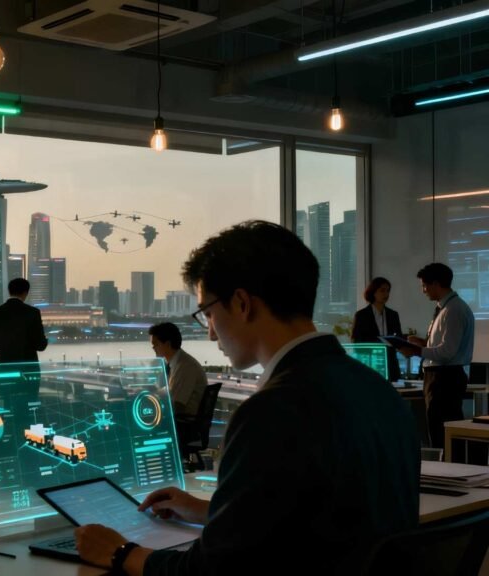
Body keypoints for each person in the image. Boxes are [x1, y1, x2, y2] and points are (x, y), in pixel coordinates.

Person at [74, 220, 419, 576]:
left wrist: (120, 553)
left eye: (208, 313)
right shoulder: (377, 390)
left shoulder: (272, 412)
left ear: (241, 303)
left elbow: (211, 571)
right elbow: (327, 518)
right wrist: (214, 512)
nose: (210, 334)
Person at [403, 263, 475, 449]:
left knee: (441, 435)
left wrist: (416, 351)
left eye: (424, 285)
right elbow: (443, 347)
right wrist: (422, 343)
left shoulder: (453, 310)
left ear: (436, 284)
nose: (423, 290)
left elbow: (447, 352)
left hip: (444, 378)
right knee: (438, 431)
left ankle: (447, 473)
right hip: (441, 377)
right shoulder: (445, 308)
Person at [148, 322, 207, 417]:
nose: (153, 348)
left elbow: (177, 405)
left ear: (167, 344)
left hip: (185, 422)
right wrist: (152, 391)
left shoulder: (185, 366)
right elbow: (170, 390)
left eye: (156, 344)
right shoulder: (175, 363)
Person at [351, 276, 403, 381]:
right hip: (370, 363)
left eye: (388, 291)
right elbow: (356, 341)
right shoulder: (362, 315)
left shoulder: (393, 315)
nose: (386, 294)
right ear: (373, 292)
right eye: (382, 290)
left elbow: (399, 338)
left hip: (390, 364)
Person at [0, 278, 48, 365]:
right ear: (25, 293)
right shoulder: (33, 312)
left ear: (9, 291)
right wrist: (46, 340)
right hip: (28, 367)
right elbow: (40, 345)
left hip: (4, 366)